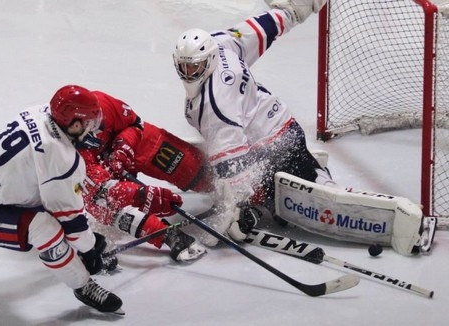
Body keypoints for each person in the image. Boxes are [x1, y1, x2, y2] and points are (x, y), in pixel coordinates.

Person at [170, 0, 436, 256]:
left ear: (210, 59)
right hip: (278, 128)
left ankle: (403, 222)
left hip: (274, 145)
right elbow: (261, 28)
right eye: (183, 66)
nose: (189, 72)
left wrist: (235, 209)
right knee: (283, 194)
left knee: (310, 199)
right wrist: (294, 9)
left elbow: (235, 169)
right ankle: (305, 178)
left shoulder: (216, 104)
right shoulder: (222, 42)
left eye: (195, 66)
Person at [0, 86, 124, 314]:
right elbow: (72, 225)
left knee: (50, 205)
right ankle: (83, 285)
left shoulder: (39, 111)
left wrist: (86, 242)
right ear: (73, 124)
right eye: (88, 123)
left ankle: (75, 260)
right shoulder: (61, 158)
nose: (95, 129)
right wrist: (90, 248)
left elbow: (56, 199)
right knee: (45, 229)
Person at [56, 85, 209, 262]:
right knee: (103, 204)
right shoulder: (67, 155)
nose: (99, 124)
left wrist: (123, 146)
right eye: (92, 122)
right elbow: (103, 191)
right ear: (75, 126)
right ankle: (166, 234)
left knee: (190, 167)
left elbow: (135, 124)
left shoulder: (99, 104)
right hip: (96, 177)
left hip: (124, 150)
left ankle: (221, 182)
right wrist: (143, 195)